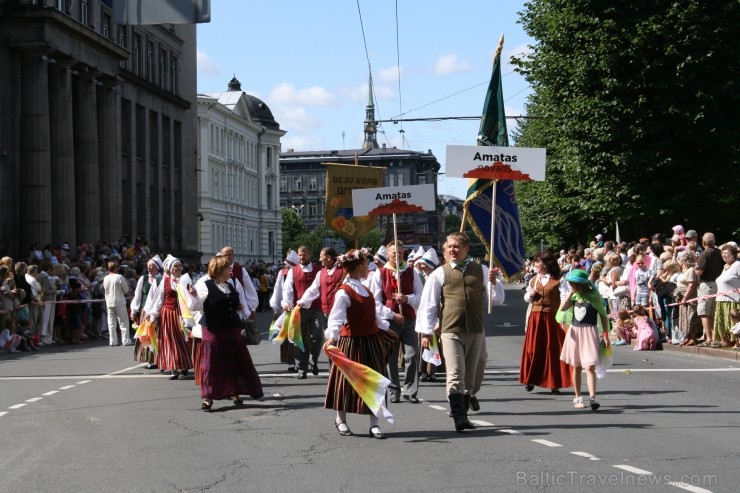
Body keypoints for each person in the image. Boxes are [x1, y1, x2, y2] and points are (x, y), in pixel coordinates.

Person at [416, 232, 505, 432]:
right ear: (445, 251)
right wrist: (427, 332)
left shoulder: (481, 269)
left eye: (456, 247)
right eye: (449, 247)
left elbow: (497, 299)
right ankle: (459, 416)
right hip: (450, 329)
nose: (452, 250)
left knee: (477, 368)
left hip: (475, 328)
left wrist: (493, 282)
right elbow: (429, 304)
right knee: (456, 373)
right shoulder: (440, 273)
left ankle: (469, 396)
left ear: (466, 249)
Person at [323, 248, 397, 438]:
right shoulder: (344, 291)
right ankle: (340, 419)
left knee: (373, 381)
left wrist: (384, 326)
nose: (368, 266)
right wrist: (332, 336)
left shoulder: (364, 287)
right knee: (346, 382)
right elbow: (336, 317)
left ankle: (374, 423)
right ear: (357, 266)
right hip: (352, 342)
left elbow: (373, 314)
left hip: (370, 340)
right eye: (365, 263)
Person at [191, 255, 263, 412]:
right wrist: (193, 295)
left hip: (232, 328)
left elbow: (235, 303)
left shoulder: (229, 285)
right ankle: (208, 398)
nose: (230, 269)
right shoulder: (205, 285)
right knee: (211, 364)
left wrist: (239, 307)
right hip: (213, 330)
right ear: (218, 270)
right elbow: (195, 307)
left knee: (235, 360)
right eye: (227, 268)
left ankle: (235, 392)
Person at [369, 241, 424, 404]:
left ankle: (410, 390)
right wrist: (392, 315)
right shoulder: (380, 273)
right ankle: (394, 389)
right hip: (389, 322)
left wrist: (408, 298)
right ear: (388, 255)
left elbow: (421, 296)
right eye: (394, 253)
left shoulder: (411, 272)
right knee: (391, 357)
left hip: (409, 320)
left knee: (412, 354)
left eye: (400, 252)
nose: (398, 255)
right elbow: (375, 301)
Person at [556, 269, 610, 411]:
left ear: (579, 284)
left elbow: (603, 315)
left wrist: (605, 334)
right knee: (577, 366)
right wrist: (569, 294)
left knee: (590, 366)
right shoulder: (573, 297)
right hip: (575, 332)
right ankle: (578, 397)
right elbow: (562, 308)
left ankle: (593, 398)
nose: (570, 286)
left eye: (572, 284)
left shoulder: (593, 297)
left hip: (589, 331)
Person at [520, 252, 573, 395]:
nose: (535, 264)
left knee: (552, 350)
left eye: (538, 262)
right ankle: (531, 379)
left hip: (552, 318)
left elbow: (564, 298)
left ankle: (554, 383)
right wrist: (530, 295)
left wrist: (562, 317)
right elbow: (527, 298)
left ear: (546, 263)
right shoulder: (534, 279)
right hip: (535, 318)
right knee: (533, 349)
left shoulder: (559, 279)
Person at [282, 246, 324, 379]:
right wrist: (287, 303)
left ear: (310, 254)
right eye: (300, 255)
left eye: (304, 254)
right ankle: (302, 368)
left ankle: (314, 358)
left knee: (318, 335)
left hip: (316, 308)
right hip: (299, 310)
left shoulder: (319, 270)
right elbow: (287, 289)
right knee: (300, 340)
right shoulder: (293, 271)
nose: (302, 257)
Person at [148, 256, 193, 380]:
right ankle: (173, 368)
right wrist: (153, 316)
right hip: (167, 314)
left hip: (181, 313)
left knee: (182, 340)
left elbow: (191, 299)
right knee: (169, 341)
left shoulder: (186, 280)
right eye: (175, 266)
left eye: (179, 266)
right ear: (170, 269)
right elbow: (159, 300)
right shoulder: (165, 281)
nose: (177, 268)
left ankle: (183, 365)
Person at [131, 256, 164, 368]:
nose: (149, 268)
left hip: (157, 312)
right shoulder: (143, 279)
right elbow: (137, 295)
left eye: (152, 266)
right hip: (145, 311)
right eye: (148, 266)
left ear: (158, 267)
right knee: (146, 335)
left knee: (156, 335)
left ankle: (157, 358)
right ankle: (149, 359)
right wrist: (134, 310)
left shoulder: (162, 279)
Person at [270, 250, 299, 372]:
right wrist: (276, 308)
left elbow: (277, 291)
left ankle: (299, 359)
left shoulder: (298, 273)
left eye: (287, 263)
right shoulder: (283, 273)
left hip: (300, 307)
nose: (285, 266)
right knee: (288, 334)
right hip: (287, 308)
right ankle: (291, 361)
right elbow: (278, 290)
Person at [695, 233, 724, 347]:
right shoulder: (719, 252)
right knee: (712, 312)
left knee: (703, 311)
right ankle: (713, 337)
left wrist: (695, 267)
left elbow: (699, 272)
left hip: (706, 284)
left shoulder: (705, 254)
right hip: (717, 284)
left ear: (703, 242)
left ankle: (709, 339)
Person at [712, 243, 740, 347]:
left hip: (733, 300)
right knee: (722, 322)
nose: (724, 255)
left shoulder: (738, 265)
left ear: (733, 254)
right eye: (722, 253)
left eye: (726, 253)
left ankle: (736, 341)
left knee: (732, 322)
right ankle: (725, 339)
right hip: (721, 299)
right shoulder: (725, 266)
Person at [103, 262, 132, 346]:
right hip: (119, 300)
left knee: (111, 322)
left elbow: (105, 289)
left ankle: (113, 341)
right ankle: (125, 340)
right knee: (123, 321)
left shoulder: (106, 278)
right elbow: (126, 289)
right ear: (115, 268)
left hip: (109, 301)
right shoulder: (119, 277)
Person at [675, 250, 701, 346]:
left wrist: (685, 297)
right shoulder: (683, 271)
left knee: (691, 318)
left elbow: (692, 285)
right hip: (683, 298)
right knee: (685, 318)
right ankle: (688, 336)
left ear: (683, 260)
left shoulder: (690, 270)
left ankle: (693, 338)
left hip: (690, 298)